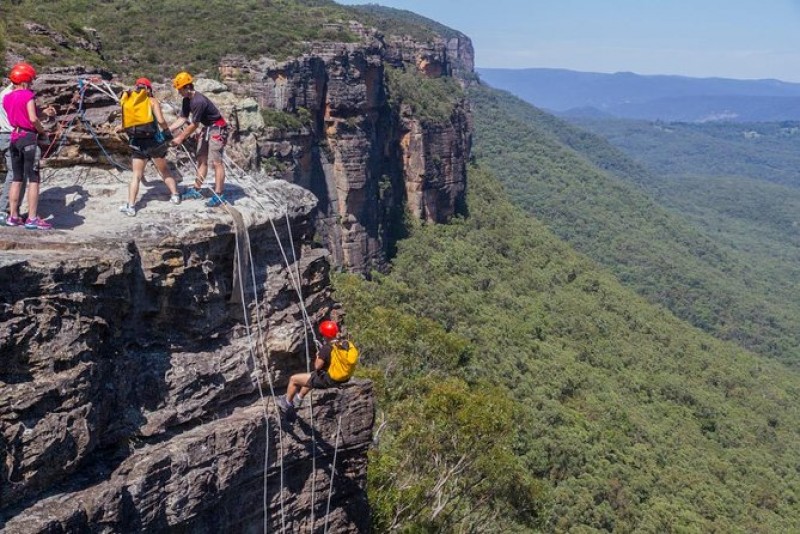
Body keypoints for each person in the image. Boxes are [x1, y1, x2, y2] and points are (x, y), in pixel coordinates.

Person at [2, 62, 55, 230]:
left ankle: (13, 216)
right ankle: (32, 218)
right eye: (30, 81)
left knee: (16, 178)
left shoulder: (7, 97)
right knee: (33, 179)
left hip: (14, 137)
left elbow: (18, 115)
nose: (31, 84)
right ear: (25, 81)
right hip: (28, 138)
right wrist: (42, 131)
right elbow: (32, 118)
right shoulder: (28, 95)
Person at [118, 77, 180, 217]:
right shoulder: (152, 101)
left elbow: (125, 123)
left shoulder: (129, 102)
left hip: (137, 142)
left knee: (136, 175)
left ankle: (131, 206)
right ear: (149, 89)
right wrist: (167, 132)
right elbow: (161, 120)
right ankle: (175, 196)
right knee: (164, 170)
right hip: (154, 142)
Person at [169, 71, 229, 208]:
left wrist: (180, 138)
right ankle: (196, 189)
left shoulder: (198, 101)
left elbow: (194, 125)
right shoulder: (186, 100)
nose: (179, 92)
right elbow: (182, 118)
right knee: (201, 158)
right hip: (208, 128)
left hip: (217, 129)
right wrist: (168, 130)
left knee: (216, 162)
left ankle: (219, 194)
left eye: (180, 89)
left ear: (187, 87)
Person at [277, 320, 360, 414]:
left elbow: (317, 366)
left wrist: (318, 356)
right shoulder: (344, 344)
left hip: (328, 379)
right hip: (342, 378)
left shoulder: (326, 348)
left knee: (294, 379)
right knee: (310, 378)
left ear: (325, 335)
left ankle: (287, 403)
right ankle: (298, 398)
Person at [0, 81, 21, 223]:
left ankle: (13, 211)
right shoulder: (11, 95)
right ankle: (4, 210)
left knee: (17, 173)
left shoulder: (4, 94)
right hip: (12, 135)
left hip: (6, 135)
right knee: (15, 173)